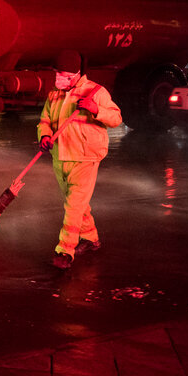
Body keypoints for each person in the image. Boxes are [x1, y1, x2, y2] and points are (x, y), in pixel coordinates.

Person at [37, 50, 122, 270]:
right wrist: (44, 136)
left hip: (85, 157)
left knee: (73, 206)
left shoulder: (96, 92)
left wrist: (95, 109)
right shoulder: (54, 95)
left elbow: (116, 118)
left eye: (63, 74)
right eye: (57, 73)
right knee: (75, 203)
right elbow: (44, 120)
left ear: (76, 74)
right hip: (60, 157)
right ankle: (91, 239)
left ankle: (65, 252)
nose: (59, 78)